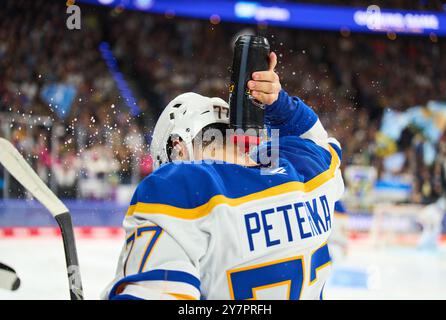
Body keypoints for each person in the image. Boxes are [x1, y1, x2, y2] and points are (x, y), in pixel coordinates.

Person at [103, 52, 345, 300]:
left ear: (178, 147)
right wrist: (277, 102)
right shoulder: (309, 168)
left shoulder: (181, 188)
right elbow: (318, 141)